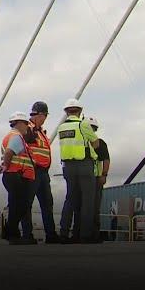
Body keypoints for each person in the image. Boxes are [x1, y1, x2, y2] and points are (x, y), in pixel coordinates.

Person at [57, 98, 100, 244]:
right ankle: (85, 235)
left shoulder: (61, 127)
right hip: (84, 165)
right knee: (88, 201)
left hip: (68, 166)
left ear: (66, 112)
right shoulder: (84, 125)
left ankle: (63, 233)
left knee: (70, 199)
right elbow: (96, 142)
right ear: (80, 111)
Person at [21, 101, 61, 244]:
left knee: (47, 203)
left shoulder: (41, 132)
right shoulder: (28, 129)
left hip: (43, 173)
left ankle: (51, 234)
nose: (45, 118)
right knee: (27, 203)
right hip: (32, 171)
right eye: (44, 115)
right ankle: (27, 234)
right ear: (39, 114)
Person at [0, 112, 37, 245]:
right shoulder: (16, 136)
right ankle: (11, 233)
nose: (27, 126)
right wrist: (5, 165)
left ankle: (11, 233)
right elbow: (9, 152)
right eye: (26, 123)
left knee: (16, 205)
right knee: (20, 205)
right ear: (19, 123)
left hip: (13, 175)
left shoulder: (12, 136)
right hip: (14, 174)